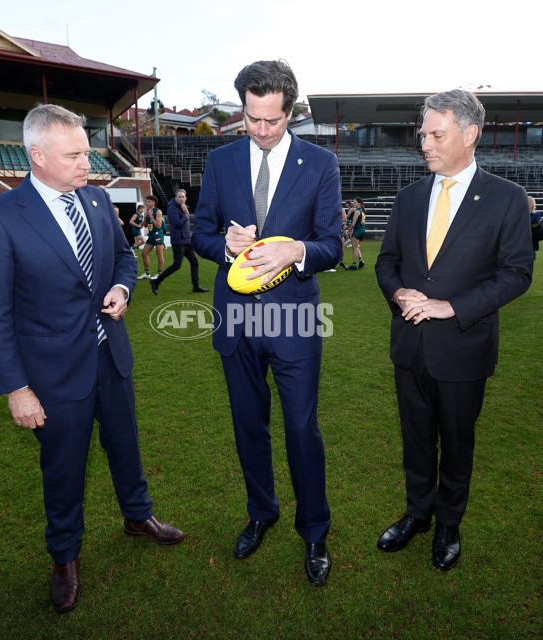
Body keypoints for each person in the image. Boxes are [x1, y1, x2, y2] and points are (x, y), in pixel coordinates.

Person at [0, 103, 185, 614]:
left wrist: (120, 287)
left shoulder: (94, 203)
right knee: (64, 470)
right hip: (51, 375)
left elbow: (124, 259)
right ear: (37, 155)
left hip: (111, 357)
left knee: (126, 447)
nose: (88, 164)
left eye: (88, 152)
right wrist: (17, 389)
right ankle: (64, 556)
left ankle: (138, 515)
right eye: (75, 155)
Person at [192, 60, 341, 587]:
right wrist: (223, 246)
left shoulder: (320, 163)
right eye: (252, 119)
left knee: (301, 428)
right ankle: (262, 510)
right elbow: (200, 234)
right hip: (235, 318)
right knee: (247, 425)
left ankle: (315, 528)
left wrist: (295, 250)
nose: (260, 131)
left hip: (295, 317)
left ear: (291, 113)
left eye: (272, 121)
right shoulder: (220, 161)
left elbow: (332, 244)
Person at [374, 89, 533, 571]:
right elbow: (387, 264)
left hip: (464, 349)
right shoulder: (408, 196)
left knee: (457, 445)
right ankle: (417, 514)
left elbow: (516, 273)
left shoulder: (506, 198)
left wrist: (452, 307)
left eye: (436, 134)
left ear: (469, 135)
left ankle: (448, 523)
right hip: (409, 347)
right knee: (416, 440)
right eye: (423, 133)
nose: (425, 143)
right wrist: (399, 293)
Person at [150, 188, 208, 294]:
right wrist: (186, 215)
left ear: (185, 198)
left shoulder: (184, 207)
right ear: (175, 198)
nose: (181, 198)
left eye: (183, 197)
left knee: (194, 262)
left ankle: (196, 286)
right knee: (177, 265)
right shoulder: (172, 209)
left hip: (187, 240)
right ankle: (156, 281)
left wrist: (185, 212)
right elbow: (177, 224)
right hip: (178, 241)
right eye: (179, 197)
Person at [140, 195, 165, 279]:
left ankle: (159, 273)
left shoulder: (158, 211)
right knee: (144, 254)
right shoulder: (147, 211)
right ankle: (147, 274)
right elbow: (146, 226)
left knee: (159, 254)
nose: (147, 203)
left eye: (149, 201)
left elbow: (158, 225)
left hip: (158, 234)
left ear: (154, 202)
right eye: (146, 201)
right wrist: (145, 219)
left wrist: (151, 216)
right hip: (151, 235)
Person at [346, 197, 366, 270]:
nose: (353, 204)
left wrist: (349, 231)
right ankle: (361, 260)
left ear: (359, 203)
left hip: (357, 231)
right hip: (362, 230)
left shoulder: (357, 212)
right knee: (356, 247)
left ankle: (354, 265)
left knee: (354, 248)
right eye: (353, 202)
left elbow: (353, 224)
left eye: (355, 202)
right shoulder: (362, 211)